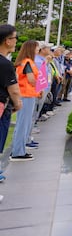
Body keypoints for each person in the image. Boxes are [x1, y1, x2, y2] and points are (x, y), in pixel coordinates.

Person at [10, 40, 40, 161]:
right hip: (27, 95)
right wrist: (40, 85)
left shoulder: (24, 62)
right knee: (23, 124)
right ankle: (18, 152)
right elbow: (31, 79)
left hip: (26, 94)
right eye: (37, 48)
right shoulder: (27, 63)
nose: (38, 50)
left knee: (23, 123)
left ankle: (18, 150)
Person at [0, 25, 22, 183]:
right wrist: (18, 103)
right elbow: (13, 90)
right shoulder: (5, 64)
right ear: (7, 41)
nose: (16, 42)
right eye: (15, 38)